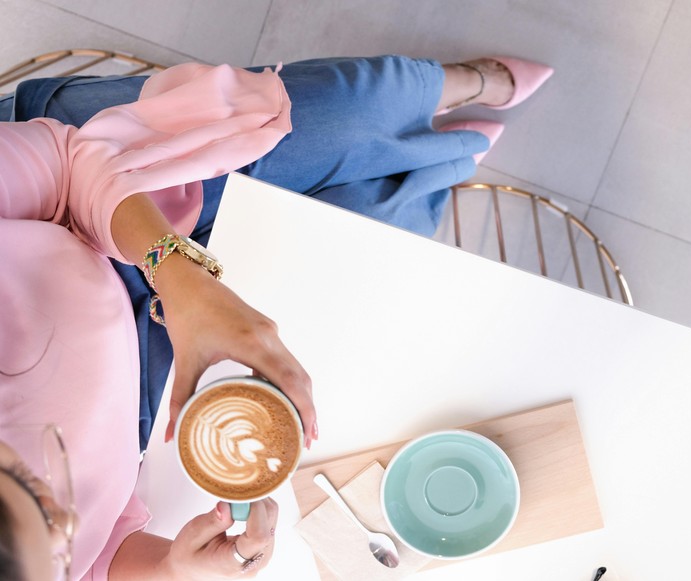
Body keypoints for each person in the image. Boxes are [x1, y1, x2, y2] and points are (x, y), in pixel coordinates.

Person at [0, 54, 552, 579]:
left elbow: (64, 164)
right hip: (138, 401)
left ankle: (454, 85)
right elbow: (93, 561)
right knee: (369, 236)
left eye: (26, 483)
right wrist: (173, 568)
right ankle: (444, 163)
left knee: (347, 115)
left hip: (80, 203)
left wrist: (181, 275)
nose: (65, 523)